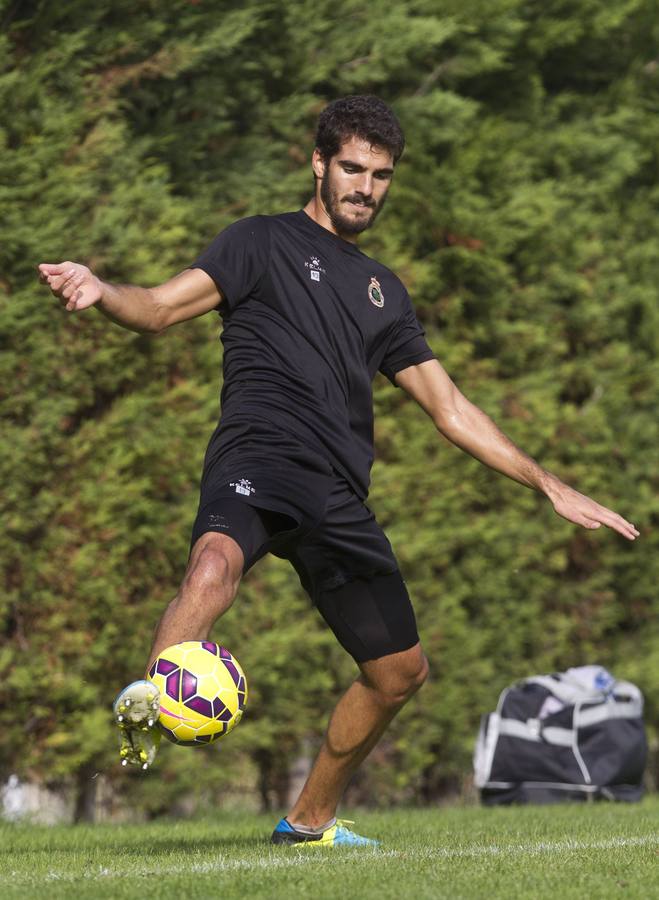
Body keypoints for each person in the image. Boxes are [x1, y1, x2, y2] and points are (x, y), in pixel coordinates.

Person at [38, 95, 639, 847]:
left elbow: (447, 406)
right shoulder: (257, 243)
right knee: (211, 569)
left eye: (380, 175)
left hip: (334, 491)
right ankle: (153, 706)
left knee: (398, 674)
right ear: (318, 163)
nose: (365, 187)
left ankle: (308, 822)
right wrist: (101, 291)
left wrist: (548, 483)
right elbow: (157, 307)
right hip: (257, 452)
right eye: (351, 168)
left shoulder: (382, 290)